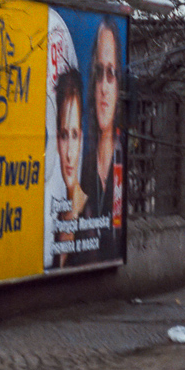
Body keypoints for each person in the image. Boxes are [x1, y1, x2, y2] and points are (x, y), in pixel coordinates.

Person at [81, 18, 124, 262]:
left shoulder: (122, 158)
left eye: (111, 74)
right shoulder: (82, 167)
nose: (104, 87)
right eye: (99, 73)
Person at [52, 66, 88, 265]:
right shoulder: (59, 213)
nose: (69, 153)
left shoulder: (89, 214)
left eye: (74, 135)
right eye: (64, 135)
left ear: (82, 139)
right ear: (57, 140)